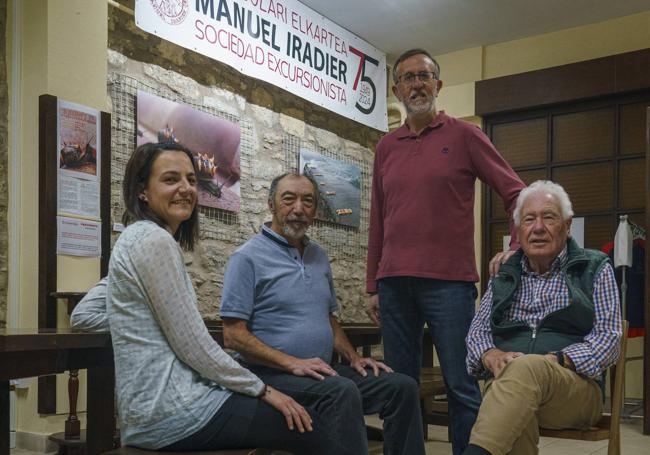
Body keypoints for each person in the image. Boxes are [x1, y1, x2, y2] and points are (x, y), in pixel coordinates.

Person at [70, 143, 350, 454]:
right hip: (176, 412)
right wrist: (262, 389)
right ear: (142, 191)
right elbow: (194, 345)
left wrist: (141, 319)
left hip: (157, 410)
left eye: (191, 179)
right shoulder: (153, 241)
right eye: (170, 179)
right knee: (318, 428)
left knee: (304, 419)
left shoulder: (135, 238)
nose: (185, 188)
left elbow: (84, 314)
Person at [365, 48, 526, 455]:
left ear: (437, 84)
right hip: (394, 285)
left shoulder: (465, 135)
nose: (416, 84)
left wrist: (517, 247)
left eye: (424, 76)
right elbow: (379, 220)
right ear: (397, 89)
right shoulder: (386, 147)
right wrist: (372, 284)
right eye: (407, 77)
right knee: (400, 387)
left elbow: (517, 194)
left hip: (450, 286)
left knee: (461, 383)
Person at [220, 172, 426, 455]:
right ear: (271, 205)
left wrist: (354, 358)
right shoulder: (246, 258)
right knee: (341, 391)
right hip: (268, 373)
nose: (298, 208)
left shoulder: (318, 256)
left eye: (308, 201)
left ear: (315, 211)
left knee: (402, 387)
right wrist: (291, 362)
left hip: (318, 372)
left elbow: (329, 319)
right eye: (288, 199)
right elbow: (233, 337)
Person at [463, 180, 622, 455]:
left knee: (522, 372)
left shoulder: (594, 267)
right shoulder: (505, 275)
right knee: (514, 403)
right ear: (519, 230)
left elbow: (609, 338)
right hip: (512, 388)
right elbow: (477, 333)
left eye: (549, 217)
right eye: (529, 219)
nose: (538, 228)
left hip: (574, 390)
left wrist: (558, 359)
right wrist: (490, 355)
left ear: (567, 224)